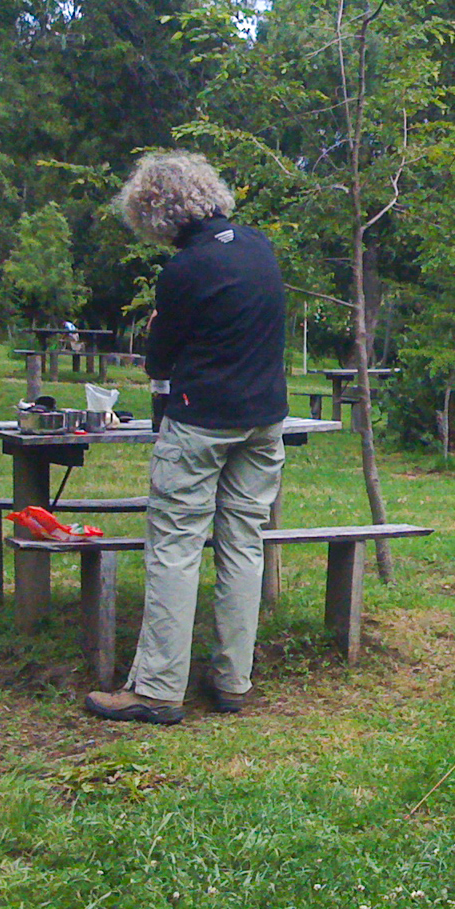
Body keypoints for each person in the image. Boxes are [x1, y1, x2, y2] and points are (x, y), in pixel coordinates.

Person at [85, 151, 289, 725]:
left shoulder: (184, 270)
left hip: (202, 422)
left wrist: (158, 334)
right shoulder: (258, 246)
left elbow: (160, 361)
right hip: (265, 419)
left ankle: (158, 689)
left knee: (175, 548)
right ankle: (232, 680)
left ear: (154, 212)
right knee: (243, 544)